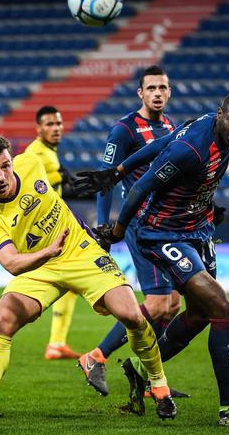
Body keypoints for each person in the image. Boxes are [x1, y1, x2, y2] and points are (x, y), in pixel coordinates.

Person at [0, 135, 176, 428]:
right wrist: (47, 252)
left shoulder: (32, 163)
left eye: (5, 166)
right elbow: (11, 263)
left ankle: (159, 385)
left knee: (131, 315)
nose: (2, 176)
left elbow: (60, 179)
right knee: (3, 319)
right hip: (39, 266)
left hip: (80, 251)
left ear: (13, 160)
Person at [75, 91, 229, 426]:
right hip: (162, 233)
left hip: (197, 228)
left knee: (200, 314)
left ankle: (141, 371)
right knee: (220, 307)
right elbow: (143, 186)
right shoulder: (190, 151)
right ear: (221, 115)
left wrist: (119, 169)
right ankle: (228, 408)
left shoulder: (206, 127)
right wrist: (116, 230)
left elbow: (162, 142)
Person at [76, 66, 184, 396]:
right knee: (155, 303)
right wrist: (103, 226)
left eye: (163, 87)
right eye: (151, 87)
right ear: (140, 93)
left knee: (174, 303)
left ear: (169, 91)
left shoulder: (170, 126)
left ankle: (152, 380)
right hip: (139, 223)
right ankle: (95, 356)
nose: (157, 93)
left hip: (167, 223)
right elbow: (106, 178)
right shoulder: (123, 130)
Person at [0, 105, 81, 360]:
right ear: (38, 128)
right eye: (50, 124)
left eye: (59, 124)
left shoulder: (49, 154)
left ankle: (56, 342)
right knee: (40, 284)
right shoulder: (36, 155)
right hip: (41, 234)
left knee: (64, 285)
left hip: (54, 230)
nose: (56, 129)